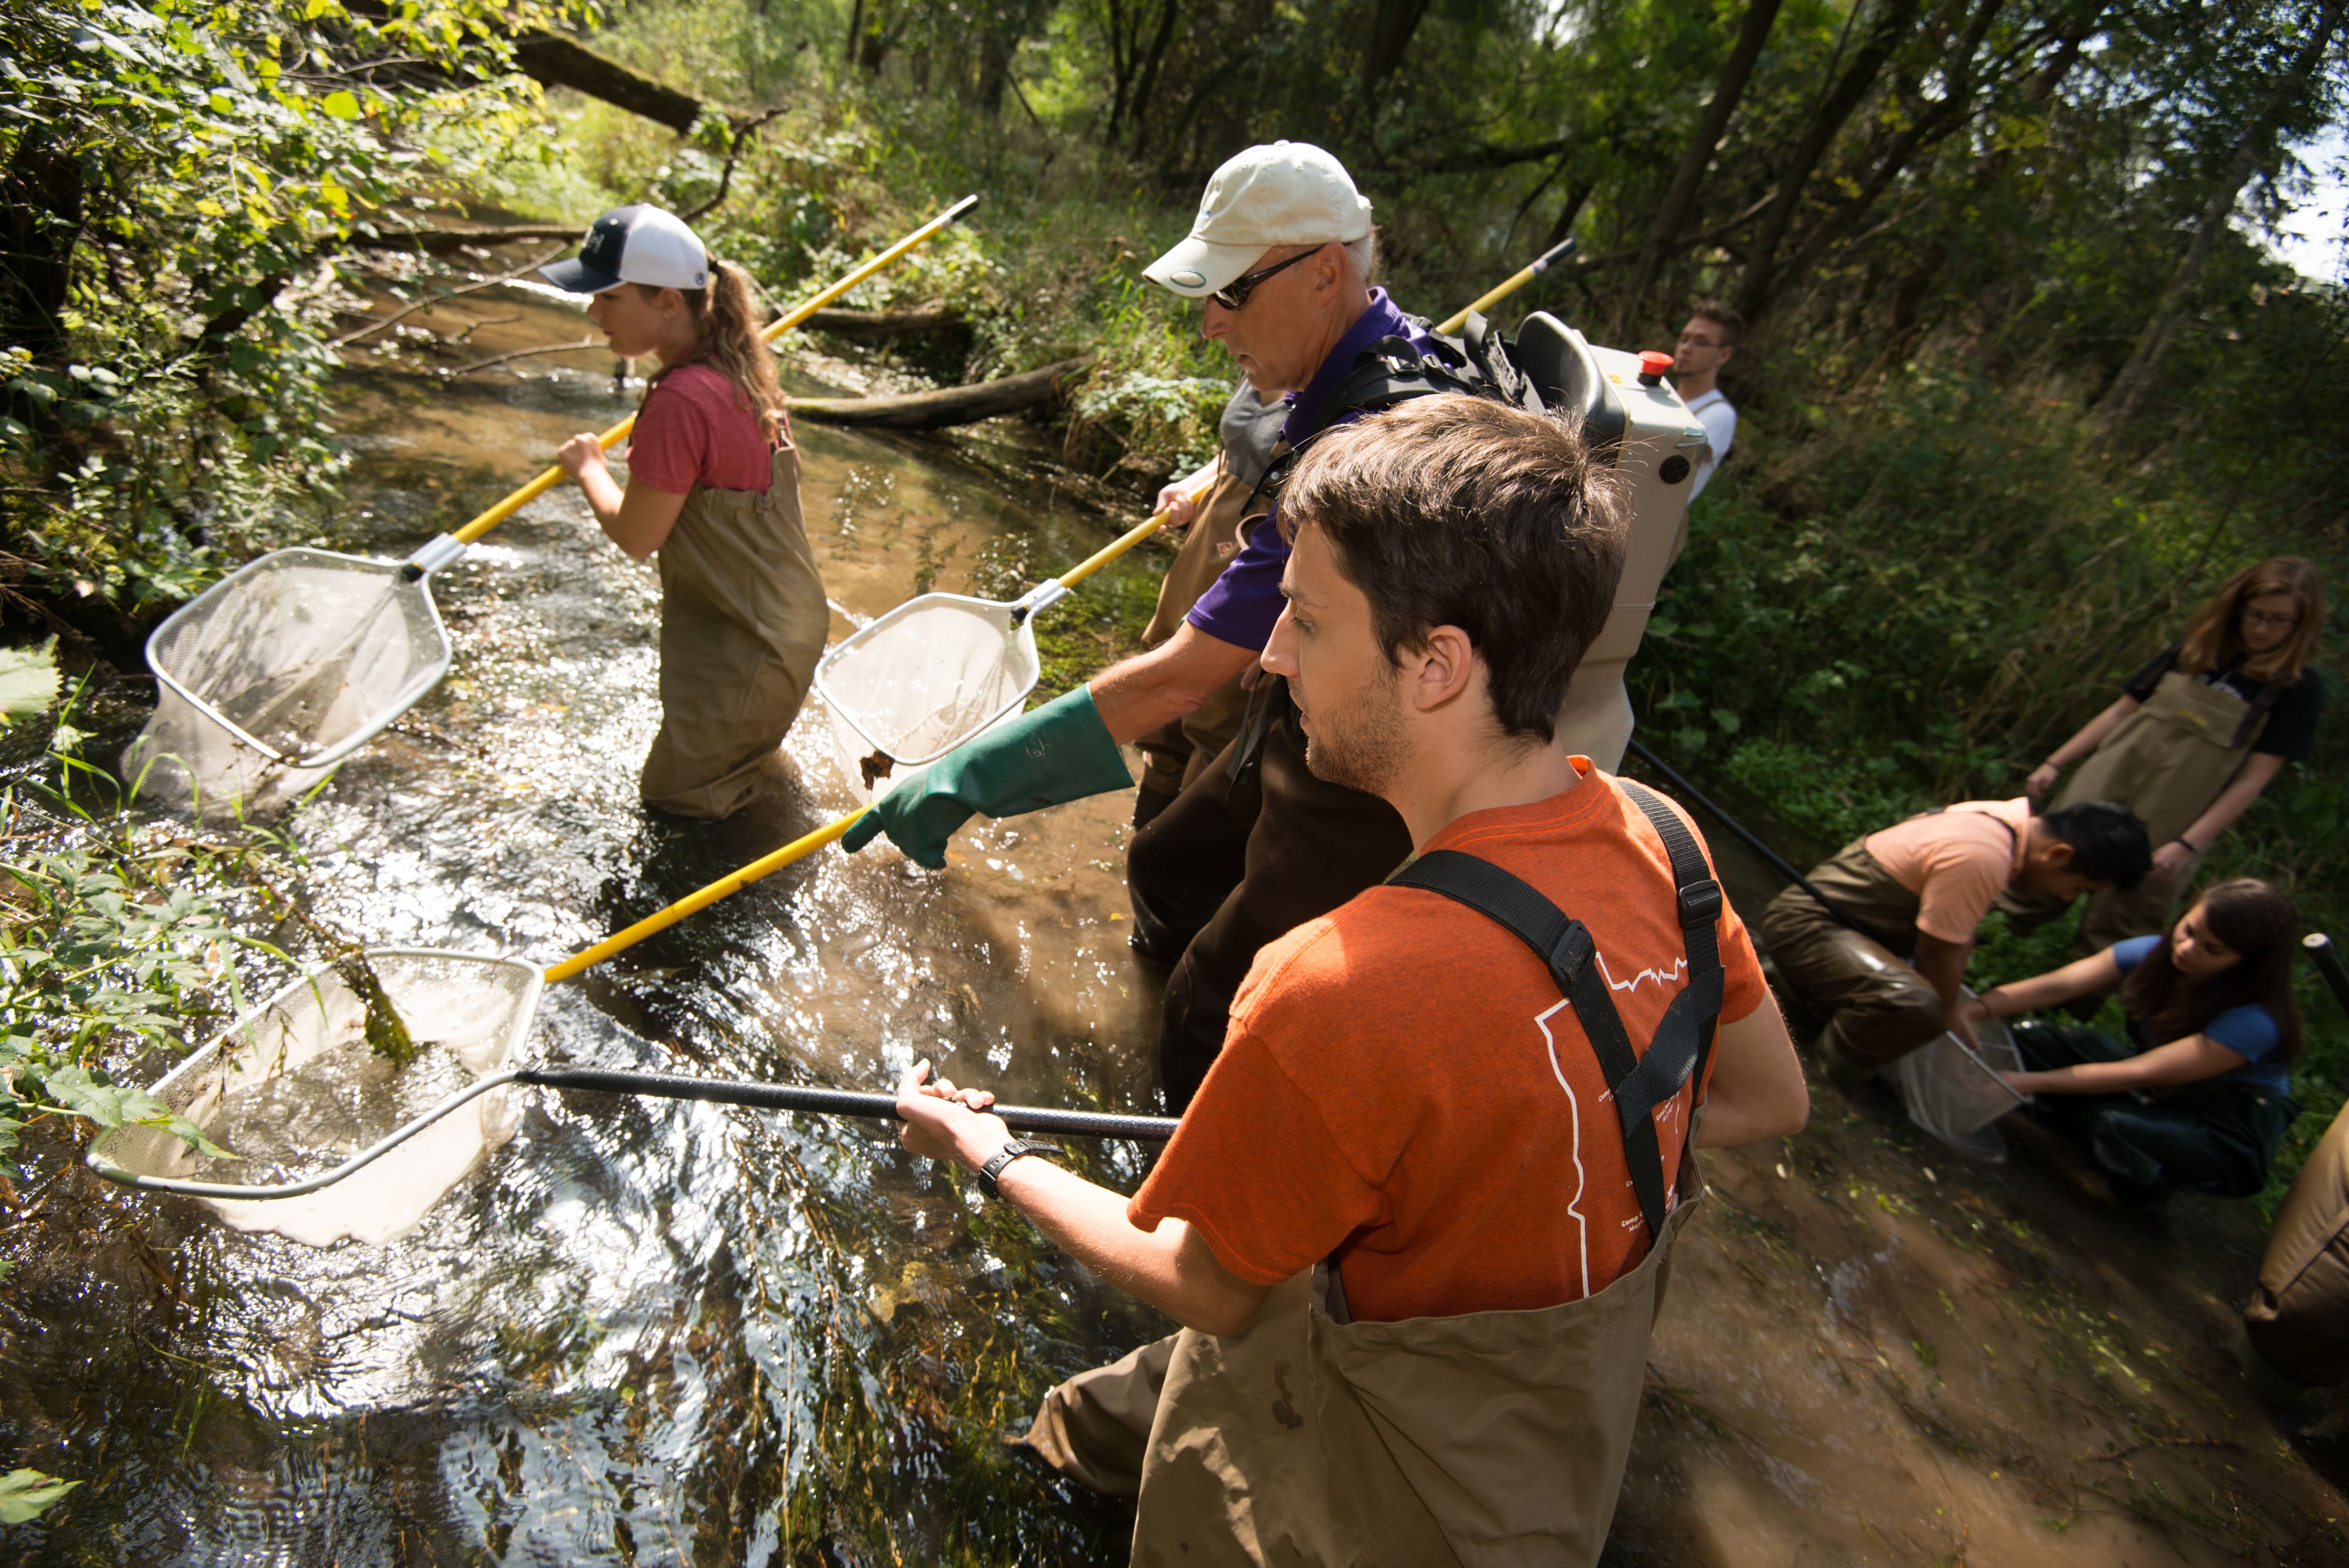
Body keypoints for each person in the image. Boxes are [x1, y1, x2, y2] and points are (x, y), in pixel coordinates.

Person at [891, 395, 1809, 1566]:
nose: (1270, 655)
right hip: (1545, 1465)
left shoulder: (1334, 985)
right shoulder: (1664, 842)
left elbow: (1206, 1291)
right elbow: (1765, 1101)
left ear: (1434, 666)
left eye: (1307, 622)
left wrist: (988, 1151)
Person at [846, 141, 1447, 1111]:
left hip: (1379, 761)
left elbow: (1183, 676)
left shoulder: (1366, 445)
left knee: (1213, 1010)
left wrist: (971, 775)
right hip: (1305, 700)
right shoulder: (1354, 369)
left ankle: (1185, 1181)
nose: (1211, 324)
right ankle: (1171, 989)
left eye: (1232, 293)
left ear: (1325, 270)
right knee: (1167, 861)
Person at [546, 204, 829, 819]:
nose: (593, 313)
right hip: (785, 634)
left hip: (744, 653)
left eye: (608, 298)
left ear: (669, 303)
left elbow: (637, 536)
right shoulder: (740, 371)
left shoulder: (680, 401)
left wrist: (590, 467)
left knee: (675, 808)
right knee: (736, 784)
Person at [2018, 557, 2324, 955]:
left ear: (2301, 624)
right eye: (2256, 615)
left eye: (2280, 621)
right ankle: (1972, 952)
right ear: (2237, 607)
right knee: (2049, 860)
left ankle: (2078, 1001)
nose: (2263, 629)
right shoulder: (2196, 648)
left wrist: (2187, 843)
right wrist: (2055, 762)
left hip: (2177, 811)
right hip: (2113, 773)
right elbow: (2121, 710)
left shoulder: (2296, 687)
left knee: (2128, 910)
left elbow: (2253, 779)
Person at [1757, 798, 2152, 1088]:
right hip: (1808, 927)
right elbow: (1937, 954)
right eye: (2076, 887)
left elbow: (1955, 940)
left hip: (1834, 928)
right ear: (2059, 853)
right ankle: (1827, 1078)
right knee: (1914, 1005)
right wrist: (1947, 1017)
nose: (2067, 898)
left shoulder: (1997, 820)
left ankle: (1781, 988)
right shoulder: (1984, 855)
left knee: (1924, 1000)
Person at [1964, 878, 2302, 1205]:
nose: (2187, 950)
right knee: (2033, 1040)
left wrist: (2024, 1082)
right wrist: (1972, 1009)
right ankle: (2084, 1126)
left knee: (2114, 1126)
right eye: (2188, 931)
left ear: (2248, 963)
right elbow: (2056, 987)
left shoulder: (2256, 1021)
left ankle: (2148, 1186)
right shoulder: (2153, 953)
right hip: (2160, 1090)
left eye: (2211, 950)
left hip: (2219, 1125)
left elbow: (2140, 1073)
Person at [1128, 381, 1288, 827]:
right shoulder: (1256, 350)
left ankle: (1173, 865)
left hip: (1269, 547)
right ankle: (1141, 841)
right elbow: (1237, 449)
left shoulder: (1357, 379)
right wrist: (1191, 485)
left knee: (1217, 716)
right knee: (1162, 674)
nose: (1213, 328)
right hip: (1212, 528)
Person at [1674, 301, 1740, 502]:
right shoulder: (1665, 397)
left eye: (1701, 342)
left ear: (1723, 354)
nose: (1686, 348)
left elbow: (1670, 456)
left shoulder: (1719, 414)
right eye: (1684, 339)